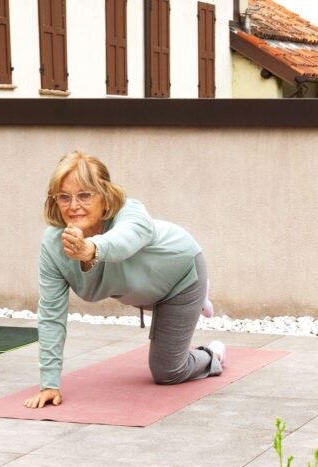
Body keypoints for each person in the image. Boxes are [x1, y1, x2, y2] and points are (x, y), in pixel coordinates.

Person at [24, 151, 224, 409]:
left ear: (105, 195)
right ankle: (196, 305)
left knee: (168, 372)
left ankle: (214, 352)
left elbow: (124, 241)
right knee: (136, 286)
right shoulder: (54, 245)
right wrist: (49, 384)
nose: (73, 206)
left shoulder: (131, 212)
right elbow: (51, 314)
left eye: (84, 194)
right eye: (64, 196)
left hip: (181, 277)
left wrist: (90, 249)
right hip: (141, 287)